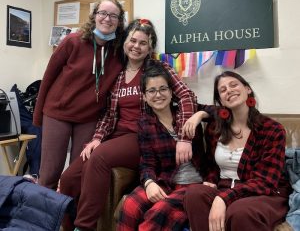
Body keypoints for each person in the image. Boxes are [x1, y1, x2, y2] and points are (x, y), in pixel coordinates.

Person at [59, 18, 201, 231]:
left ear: (150, 46)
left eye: (143, 43)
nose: (136, 46)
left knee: (99, 158)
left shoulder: (158, 69)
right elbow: (108, 114)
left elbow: (187, 96)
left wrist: (184, 137)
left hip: (141, 136)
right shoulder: (116, 73)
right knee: (69, 176)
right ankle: (66, 225)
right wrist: (97, 138)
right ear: (125, 41)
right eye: (133, 40)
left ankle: (84, 227)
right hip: (115, 136)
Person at [33, 0, 126, 189]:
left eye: (113, 16)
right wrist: (37, 116)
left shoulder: (119, 51)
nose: (107, 19)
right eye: (103, 13)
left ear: (119, 21)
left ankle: (69, 218)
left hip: (89, 117)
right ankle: (43, 218)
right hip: (58, 113)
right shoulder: (72, 41)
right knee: (50, 173)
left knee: (77, 174)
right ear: (94, 16)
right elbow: (48, 78)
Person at [183, 71, 291, 231]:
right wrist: (211, 181)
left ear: (247, 89)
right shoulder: (215, 128)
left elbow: (265, 181)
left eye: (234, 85)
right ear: (220, 100)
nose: (229, 90)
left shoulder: (272, 130)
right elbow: (212, 167)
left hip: (262, 193)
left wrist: (223, 198)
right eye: (223, 90)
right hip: (224, 187)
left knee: (239, 212)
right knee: (194, 194)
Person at [116, 61, 206, 231]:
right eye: (151, 90)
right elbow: (147, 162)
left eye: (163, 89)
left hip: (195, 184)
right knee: (130, 206)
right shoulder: (145, 123)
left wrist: (199, 115)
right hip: (166, 181)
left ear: (172, 92)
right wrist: (149, 182)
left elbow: (221, 113)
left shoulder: (186, 113)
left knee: (157, 214)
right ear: (144, 96)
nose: (158, 95)